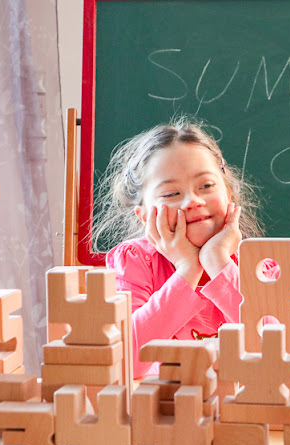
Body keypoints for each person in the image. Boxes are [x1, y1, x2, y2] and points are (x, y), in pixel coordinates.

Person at [93, 117, 271, 378]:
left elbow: (280, 352)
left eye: (207, 186)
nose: (193, 200)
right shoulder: (136, 262)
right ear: (143, 216)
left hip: (239, 411)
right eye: (171, 194)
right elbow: (123, 360)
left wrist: (219, 262)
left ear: (229, 194)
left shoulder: (258, 264)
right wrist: (187, 269)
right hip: (164, 411)